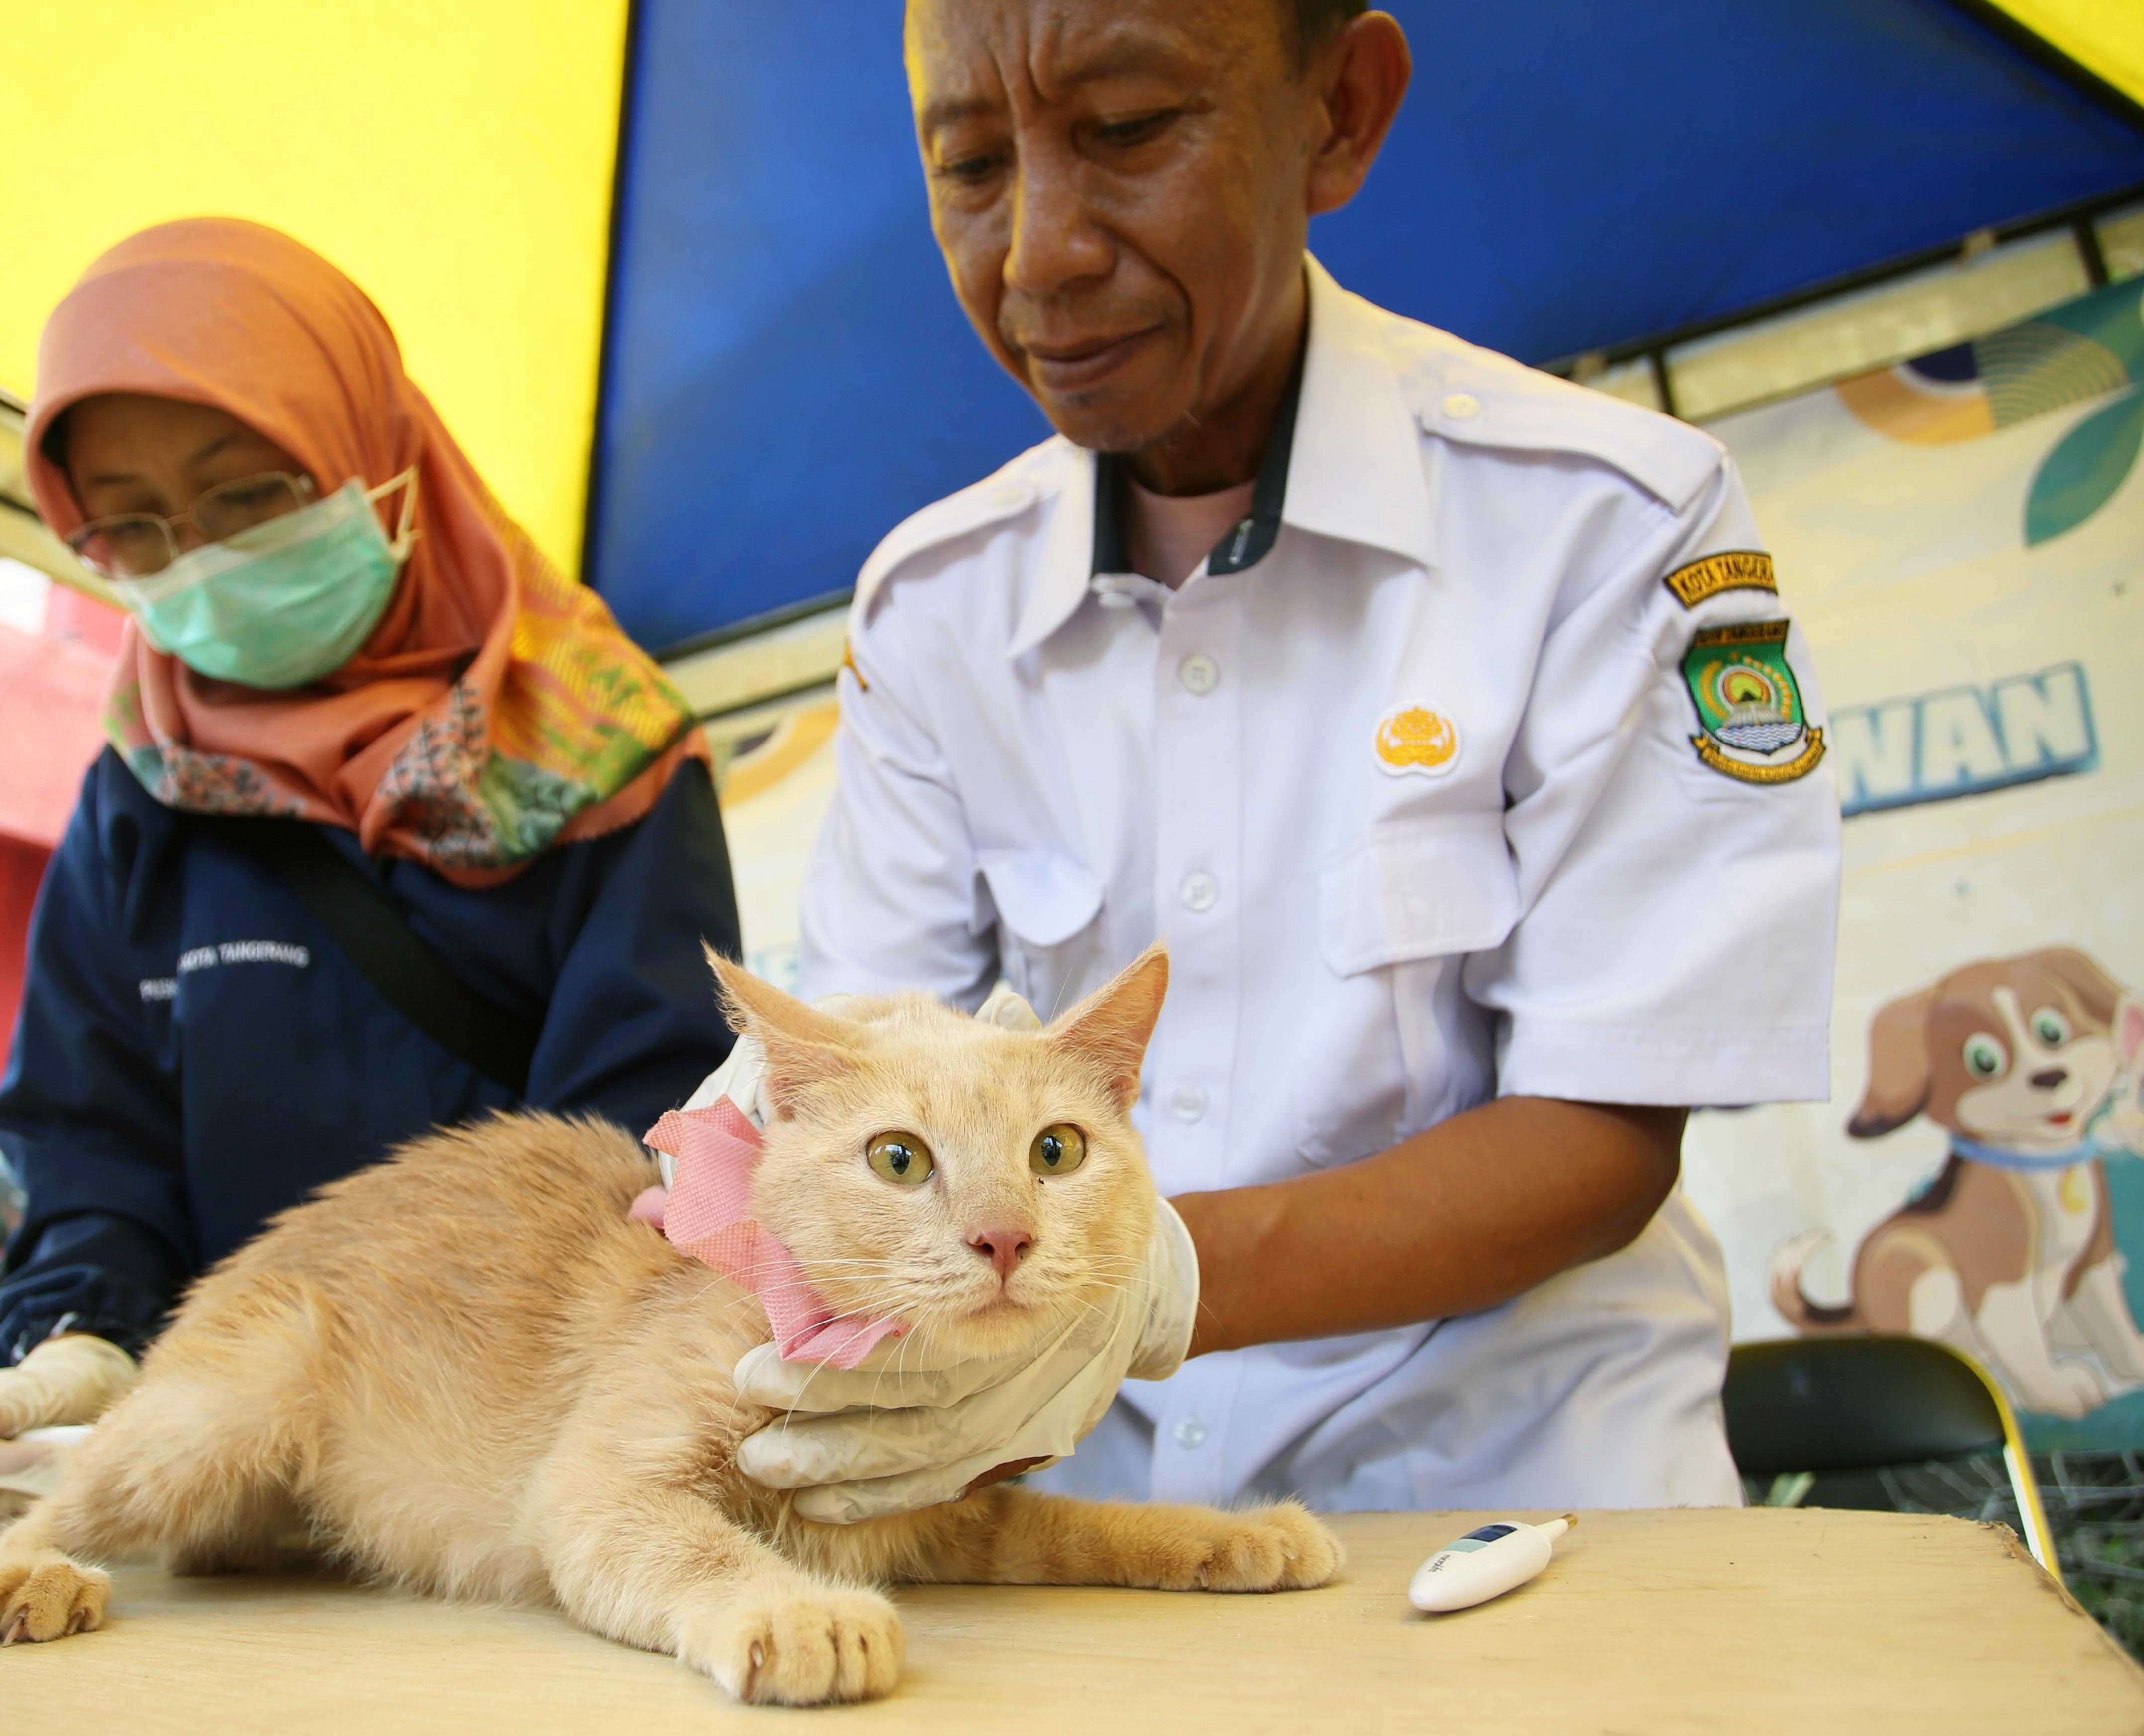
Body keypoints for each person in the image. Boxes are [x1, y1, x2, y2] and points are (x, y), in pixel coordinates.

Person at [717, 0, 1841, 1520]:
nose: (1040, 253)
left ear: (1342, 110)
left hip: (1513, 1515)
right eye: (973, 162)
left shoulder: (1613, 526)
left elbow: (1604, 1130)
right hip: (1071, 1517)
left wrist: (1149, 1285)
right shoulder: (931, 611)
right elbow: (857, 1066)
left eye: (1124, 132)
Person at [0, 220, 739, 1547]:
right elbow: (88, 1147)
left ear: (378, 457)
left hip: (495, 1491)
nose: (205, 560)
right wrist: (77, 1343)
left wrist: (389, 1416)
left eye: (249, 494)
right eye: (135, 526)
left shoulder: (607, 755)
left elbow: (644, 1163)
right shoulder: (141, 790)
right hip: (209, 1493)